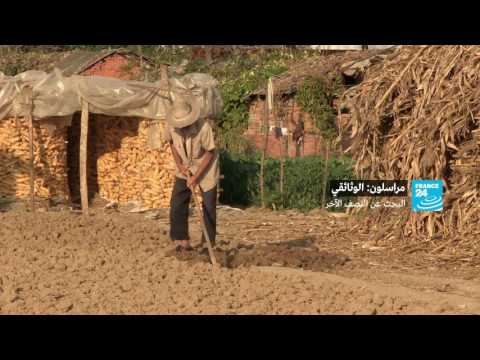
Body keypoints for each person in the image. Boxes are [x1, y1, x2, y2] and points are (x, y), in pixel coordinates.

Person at [163, 94, 219, 253]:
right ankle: (182, 240)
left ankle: (208, 245)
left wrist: (196, 177)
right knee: (177, 202)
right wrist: (179, 164)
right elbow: (172, 143)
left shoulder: (204, 128)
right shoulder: (171, 125)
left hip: (205, 167)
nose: (183, 126)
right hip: (185, 166)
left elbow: (209, 153)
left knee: (208, 206)